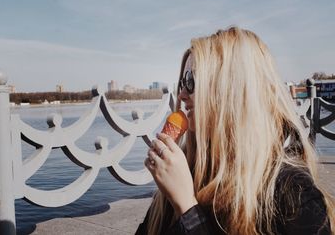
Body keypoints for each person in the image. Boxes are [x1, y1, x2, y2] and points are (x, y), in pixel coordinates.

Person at [135, 27, 334, 234]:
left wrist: (186, 207)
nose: (182, 94)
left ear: (232, 92)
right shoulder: (186, 170)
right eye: (183, 82)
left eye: (193, 81)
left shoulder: (294, 194)